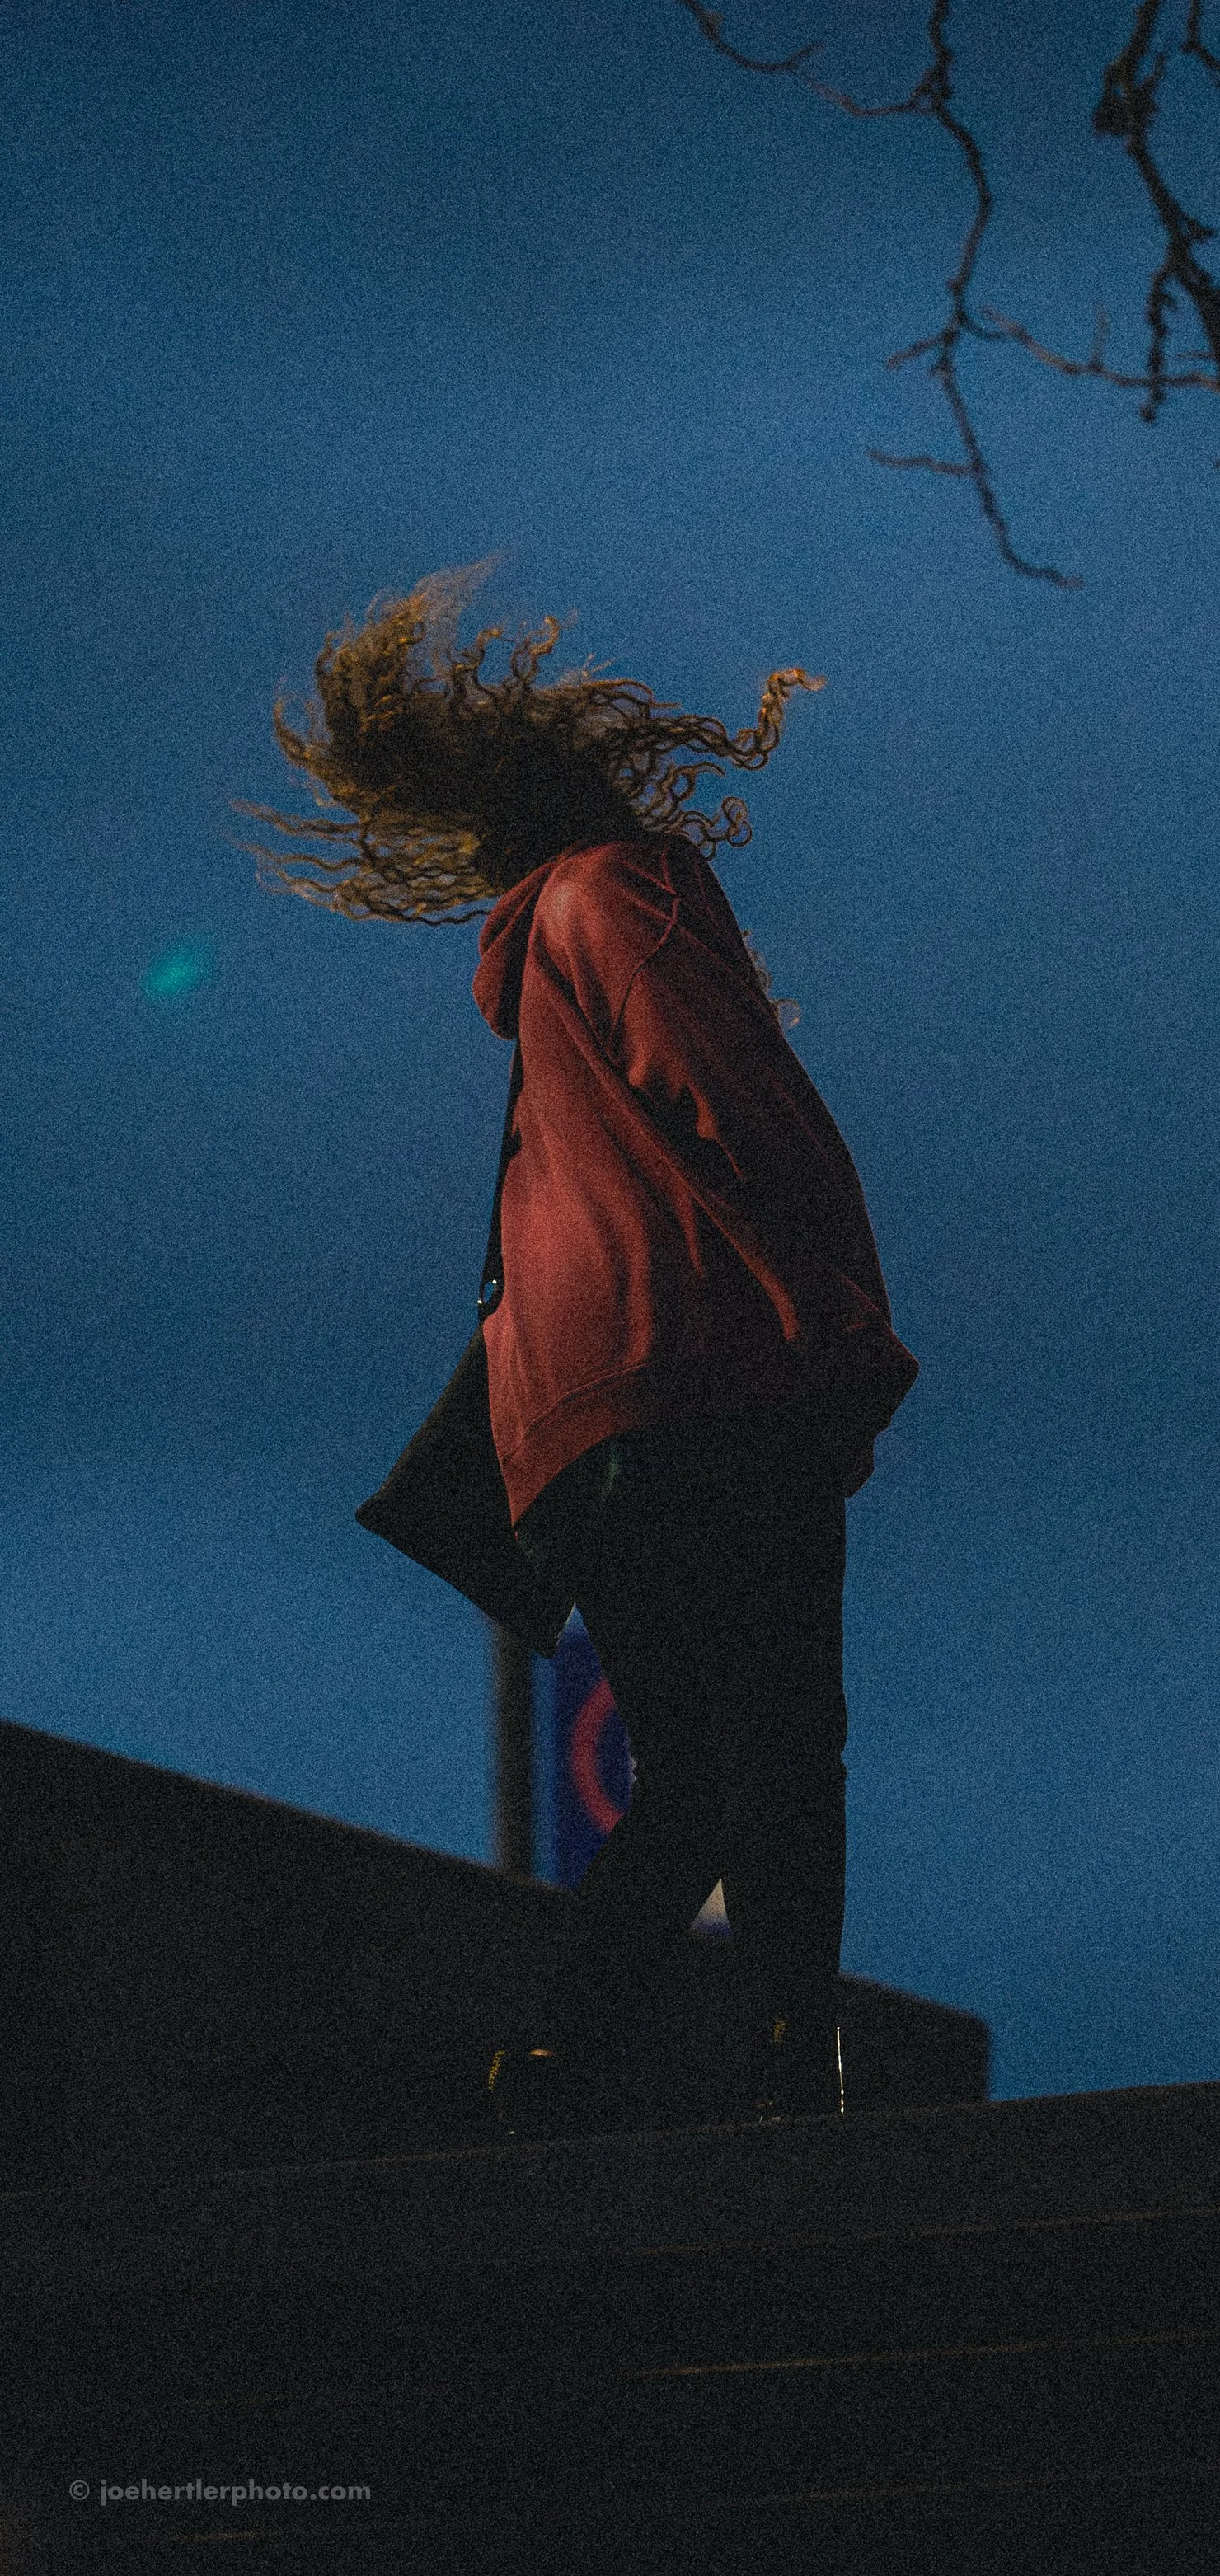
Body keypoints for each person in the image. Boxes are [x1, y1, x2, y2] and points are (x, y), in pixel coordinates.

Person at [242, 567, 918, 2137]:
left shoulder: (533, 976)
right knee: (788, 1740)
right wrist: (854, 1337)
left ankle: (549, 2072)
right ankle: (796, 2093)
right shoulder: (622, 894)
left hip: (578, 1432)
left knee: (688, 1765)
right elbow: (742, 1104)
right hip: (710, 1385)